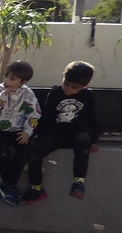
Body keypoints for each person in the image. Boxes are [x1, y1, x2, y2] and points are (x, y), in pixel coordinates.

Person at [25, 61, 99, 203]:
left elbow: (93, 118)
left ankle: (78, 182)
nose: (69, 89)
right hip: (57, 132)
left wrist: (94, 140)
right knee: (34, 153)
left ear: (84, 86)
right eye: (66, 84)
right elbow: (46, 117)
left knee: (82, 143)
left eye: (74, 87)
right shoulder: (55, 93)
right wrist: (37, 137)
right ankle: (36, 187)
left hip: (78, 132)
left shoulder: (88, 96)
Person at [0, 60, 41, 206]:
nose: (7, 81)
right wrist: (2, 97)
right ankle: (8, 185)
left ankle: (8, 184)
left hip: (18, 131)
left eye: (12, 79)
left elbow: (34, 115)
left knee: (23, 153)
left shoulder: (28, 94)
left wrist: (27, 132)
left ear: (23, 82)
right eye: (6, 76)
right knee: (2, 154)